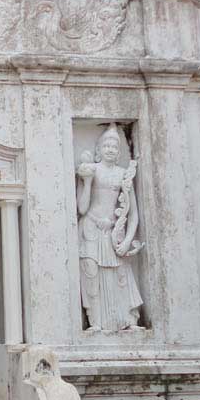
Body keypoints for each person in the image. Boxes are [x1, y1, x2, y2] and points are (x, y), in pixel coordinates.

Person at [76, 123, 143, 332]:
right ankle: (95, 321)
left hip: (114, 232)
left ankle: (127, 319)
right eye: (106, 145)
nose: (110, 150)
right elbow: (82, 208)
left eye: (114, 146)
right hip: (90, 228)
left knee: (121, 275)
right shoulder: (91, 170)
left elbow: (133, 213)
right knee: (91, 273)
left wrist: (127, 240)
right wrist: (87, 182)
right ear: (99, 149)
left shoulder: (124, 174)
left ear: (119, 151)